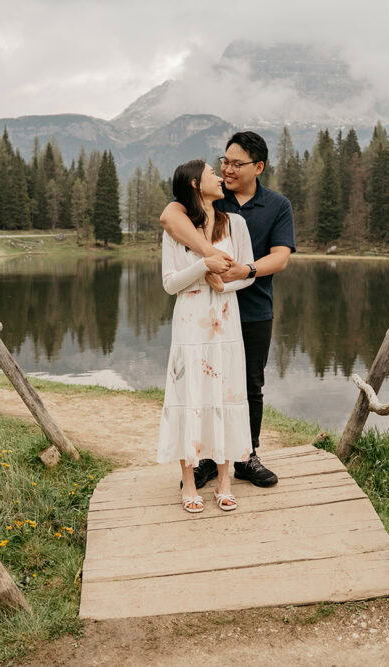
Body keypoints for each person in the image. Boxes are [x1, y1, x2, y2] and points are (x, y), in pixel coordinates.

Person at [160, 132, 296, 490]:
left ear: (259, 167)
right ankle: (206, 457)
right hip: (206, 312)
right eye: (224, 161)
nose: (227, 170)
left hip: (252, 308)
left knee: (249, 384)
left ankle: (247, 456)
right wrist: (210, 256)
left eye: (237, 164)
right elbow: (168, 217)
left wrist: (244, 271)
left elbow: (280, 257)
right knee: (205, 384)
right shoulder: (211, 198)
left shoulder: (277, 205)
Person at [158, 159, 257, 513]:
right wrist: (204, 266)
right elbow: (170, 283)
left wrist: (225, 280)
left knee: (226, 395)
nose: (221, 175)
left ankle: (224, 481)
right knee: (190, 396)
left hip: (225, 320)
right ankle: (188, 483)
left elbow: (248, 273)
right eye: (213, 173)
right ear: (197, 184)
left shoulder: (237, 224)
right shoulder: (176, 229)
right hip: (190, 322)